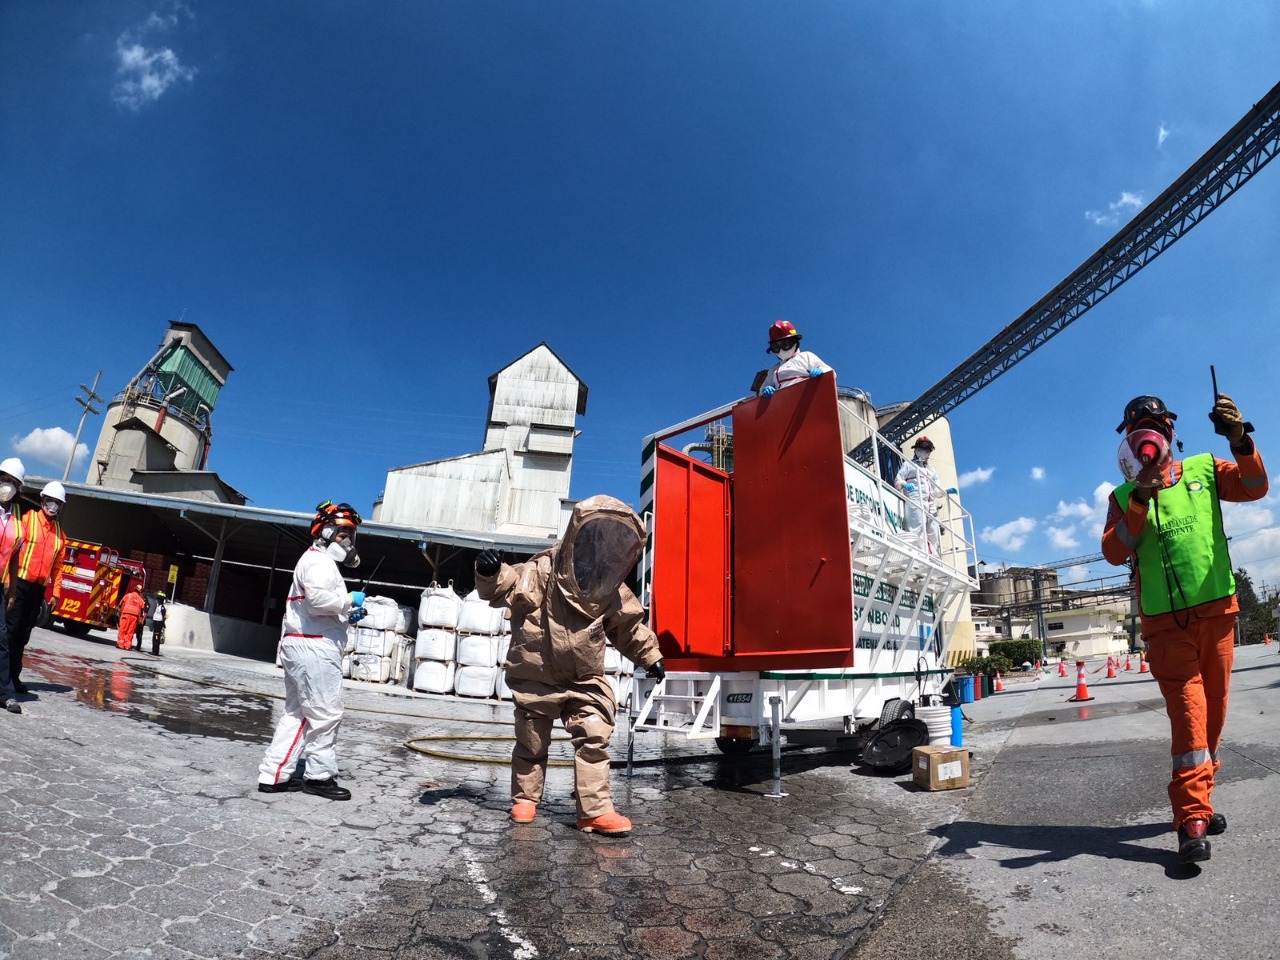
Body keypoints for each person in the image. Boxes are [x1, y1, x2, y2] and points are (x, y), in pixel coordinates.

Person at [1102, 393, 1267, 865]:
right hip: (1166, 627)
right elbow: (1116, 551)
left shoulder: (1205, 470)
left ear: (1170, 432)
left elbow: (1255, 486)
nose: (1149, 439)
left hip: (1217, 615)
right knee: (1190, 715)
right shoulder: (1122, 497)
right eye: (1140, 432)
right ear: (1131, 445)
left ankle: (1202, 797)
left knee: (1214, 711)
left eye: (1156, 428)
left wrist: (1240, 440)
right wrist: (1139, 498)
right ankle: (1192, 817)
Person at [475, 495, 665, 835]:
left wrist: (650, 655)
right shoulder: (540, 571)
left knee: (594, 735)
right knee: (532, 742)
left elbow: (628, 627)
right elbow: (504, 586)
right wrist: (488, 572)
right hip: (536, 674)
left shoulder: (607, 588)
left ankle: (594, 810)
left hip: (583, 677)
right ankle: (525, 800)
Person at [257, 501, 367, 801]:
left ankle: (274, 775)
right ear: (327, 531)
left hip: (303, 643)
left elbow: (313, 605)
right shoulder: (319, 562)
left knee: (297, 714)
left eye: (350, 536)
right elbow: (317, 601)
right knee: (325, 715)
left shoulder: (316, 561)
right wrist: (348, 601)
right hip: (314, 648)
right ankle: (319, 777)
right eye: (344, 534)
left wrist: (345, 615)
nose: (347, 542)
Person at [6, 480, 67, 696]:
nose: (53, 506)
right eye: (50, 501)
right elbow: (11, 549)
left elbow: (58, 568)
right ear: (42, 500)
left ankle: (13, 676)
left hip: (37, 591)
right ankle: (4, 678)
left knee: (23, 635)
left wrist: (56, 592)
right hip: (19, 584)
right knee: (10, 632)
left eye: (57, 503)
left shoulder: (60, 534)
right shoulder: (26, 520)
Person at [895, 437, 953, 555]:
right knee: (917, 528)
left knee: (934, 531)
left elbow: (936, 491)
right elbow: (898, 480)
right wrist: (905, 484)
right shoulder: (909, 465)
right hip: (915, 500)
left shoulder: (931, 470)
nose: (924, 453)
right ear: (916, 450)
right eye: (921, 450)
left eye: (926, 451)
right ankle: (918, 554)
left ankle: (933, 556)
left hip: (930, 503)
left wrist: (945, 491)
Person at [0, 458, 27, 714]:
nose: (6, 485)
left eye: (12, 482)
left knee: (2, 639)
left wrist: (13, 588)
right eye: (4, 478)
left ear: (18, 488)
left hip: (0, 586)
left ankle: (5, 693)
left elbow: (15, 556)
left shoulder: (18, 518)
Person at [757, 320, 833, 397]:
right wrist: (765, 390)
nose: (781, 350)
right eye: (776, 347)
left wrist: (822, 371)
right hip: (784, 403)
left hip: (808, 397)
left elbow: (830, 371)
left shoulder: (806, 356)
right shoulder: (774, 369)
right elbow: (761, 391)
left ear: (795, 342)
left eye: (785, 344)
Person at [117, 584, 146, 651]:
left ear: (134, 589)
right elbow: (142, 611)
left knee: (123, 629)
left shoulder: (128, 595)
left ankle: (121, 644)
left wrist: (119, 612)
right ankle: (127, 646)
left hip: (125, 615)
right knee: (130, 631)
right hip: (134, 617)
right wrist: (140, 619)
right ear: (140, 592)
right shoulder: (141, 600)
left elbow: (120, 604)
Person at [149, 591, 168, 656]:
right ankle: (153, 650)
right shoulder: (158, 606)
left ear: (160, 600)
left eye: (158, 599)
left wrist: (163, 624)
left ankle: (155, 651)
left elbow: (163, 617)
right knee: (154, 637)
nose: (157, 600)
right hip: (156, 622)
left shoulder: (162, 608)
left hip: (158, 623)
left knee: (156, 637)